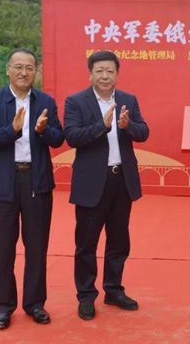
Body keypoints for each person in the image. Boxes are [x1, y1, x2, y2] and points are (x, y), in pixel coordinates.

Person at [0, 48, 64, 329]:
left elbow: (58, 139)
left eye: (29, 68)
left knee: (37, 247)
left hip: (36, 182)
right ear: (8, 70)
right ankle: (3, 306)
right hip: (3, 183)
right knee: (3, 249)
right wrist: (12, 130)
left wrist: (42, 130)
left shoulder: (45, 101)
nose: (24, 72)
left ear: (36, 72)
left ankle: (35, 304)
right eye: (18, 67)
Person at [64, 50, 149, 321]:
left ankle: (113, 290)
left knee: (119, 240)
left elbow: (144, 132)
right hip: (91, 183)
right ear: (90, 74)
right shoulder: (76, 101)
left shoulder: (128, 100)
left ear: (117, 74)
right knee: (86, 243)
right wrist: (102, 126)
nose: (105, 76)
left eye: (110, 71)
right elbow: (72, 136)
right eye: (99, 71)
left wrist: (127, 125)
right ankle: (86, 296)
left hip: (121, 180)